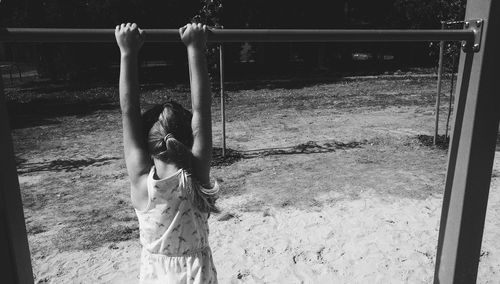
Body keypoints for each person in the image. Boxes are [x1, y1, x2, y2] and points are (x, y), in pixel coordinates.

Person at [115, 22, 219, 283]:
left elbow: (128, 111)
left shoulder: (142, 182)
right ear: (188, 138)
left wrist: (127, 53)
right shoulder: (195, 174)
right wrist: (195, 48)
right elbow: (202, 110)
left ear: (146, 142)